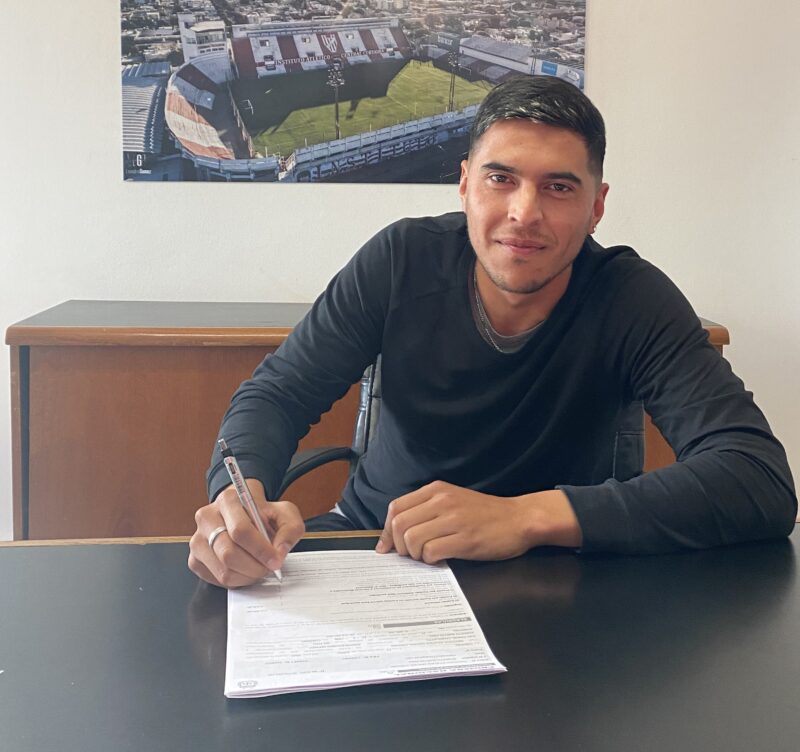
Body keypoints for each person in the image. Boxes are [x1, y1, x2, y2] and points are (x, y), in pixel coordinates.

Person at [188, 75, 796, 588]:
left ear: (597, 206)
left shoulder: (632, 298)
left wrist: (523, 517)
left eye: (559, 187)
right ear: (464, 184)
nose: (524, 213)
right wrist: (239, 499)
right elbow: (279, 393)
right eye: (500, 179)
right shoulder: (400, 261)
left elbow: (758, 478)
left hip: (556, 573)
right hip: (379, 548)